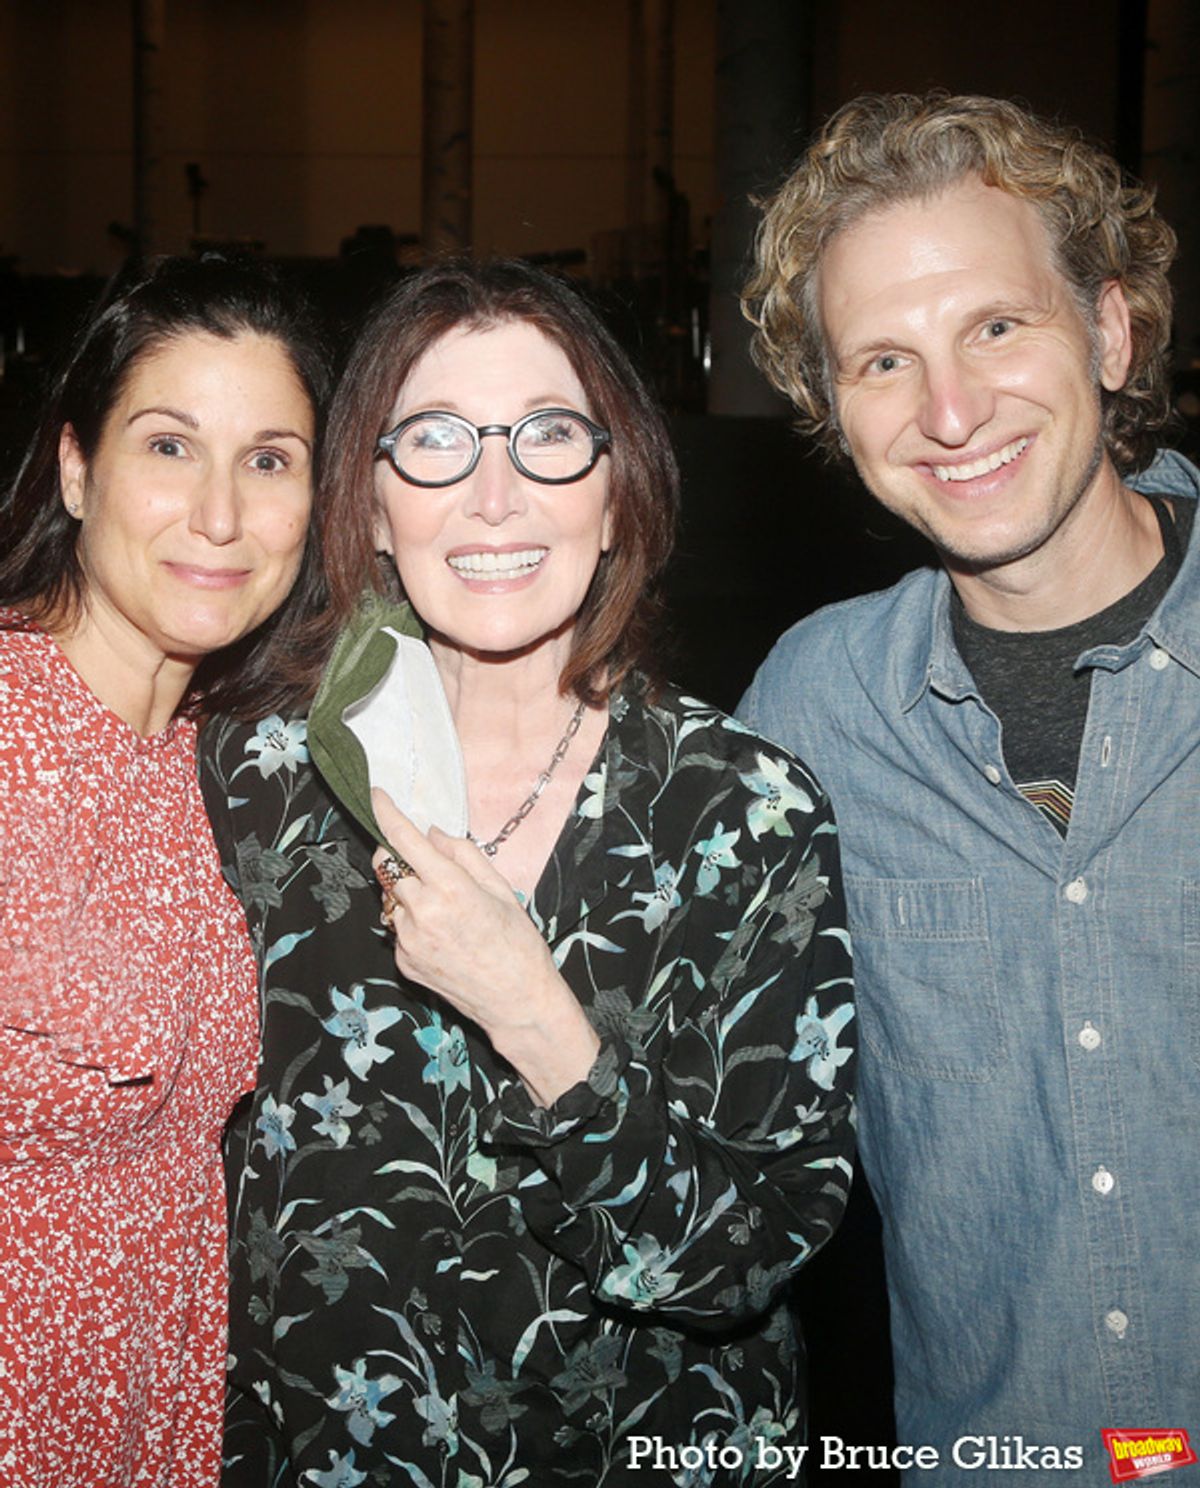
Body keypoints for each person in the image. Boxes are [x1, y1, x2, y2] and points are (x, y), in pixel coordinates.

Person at [201, 258, 856, 1486]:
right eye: (436, 441)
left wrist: (537, 1017)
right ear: (371, 503)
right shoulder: (255, 777)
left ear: (619, 495)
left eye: (550, 436)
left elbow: (751, 1260)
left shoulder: (747, 812)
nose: (494, 498)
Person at [739, 91, 1200, 1482]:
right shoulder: (814, 711)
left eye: (997, 327)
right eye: (883, 361)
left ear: (1111, 332)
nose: (951, 410)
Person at [0, 254, 330, 1486]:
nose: (221, 518)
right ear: (78, 469)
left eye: (269, 459)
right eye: (170, 446)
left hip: (151, 1410)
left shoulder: (230, 769)